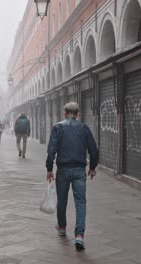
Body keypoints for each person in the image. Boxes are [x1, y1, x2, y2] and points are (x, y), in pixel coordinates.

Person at [45, 102, 99, 251]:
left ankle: (62, 227)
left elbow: (51, 151)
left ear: (65, 113)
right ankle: (79, 236)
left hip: (62, 169)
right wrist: (92, 167)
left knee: (62, 200)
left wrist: (49, 168)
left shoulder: (57, 128)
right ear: (77, 114)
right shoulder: (84, 128)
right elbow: (93, 150)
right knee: (80, 202)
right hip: (79, 170)